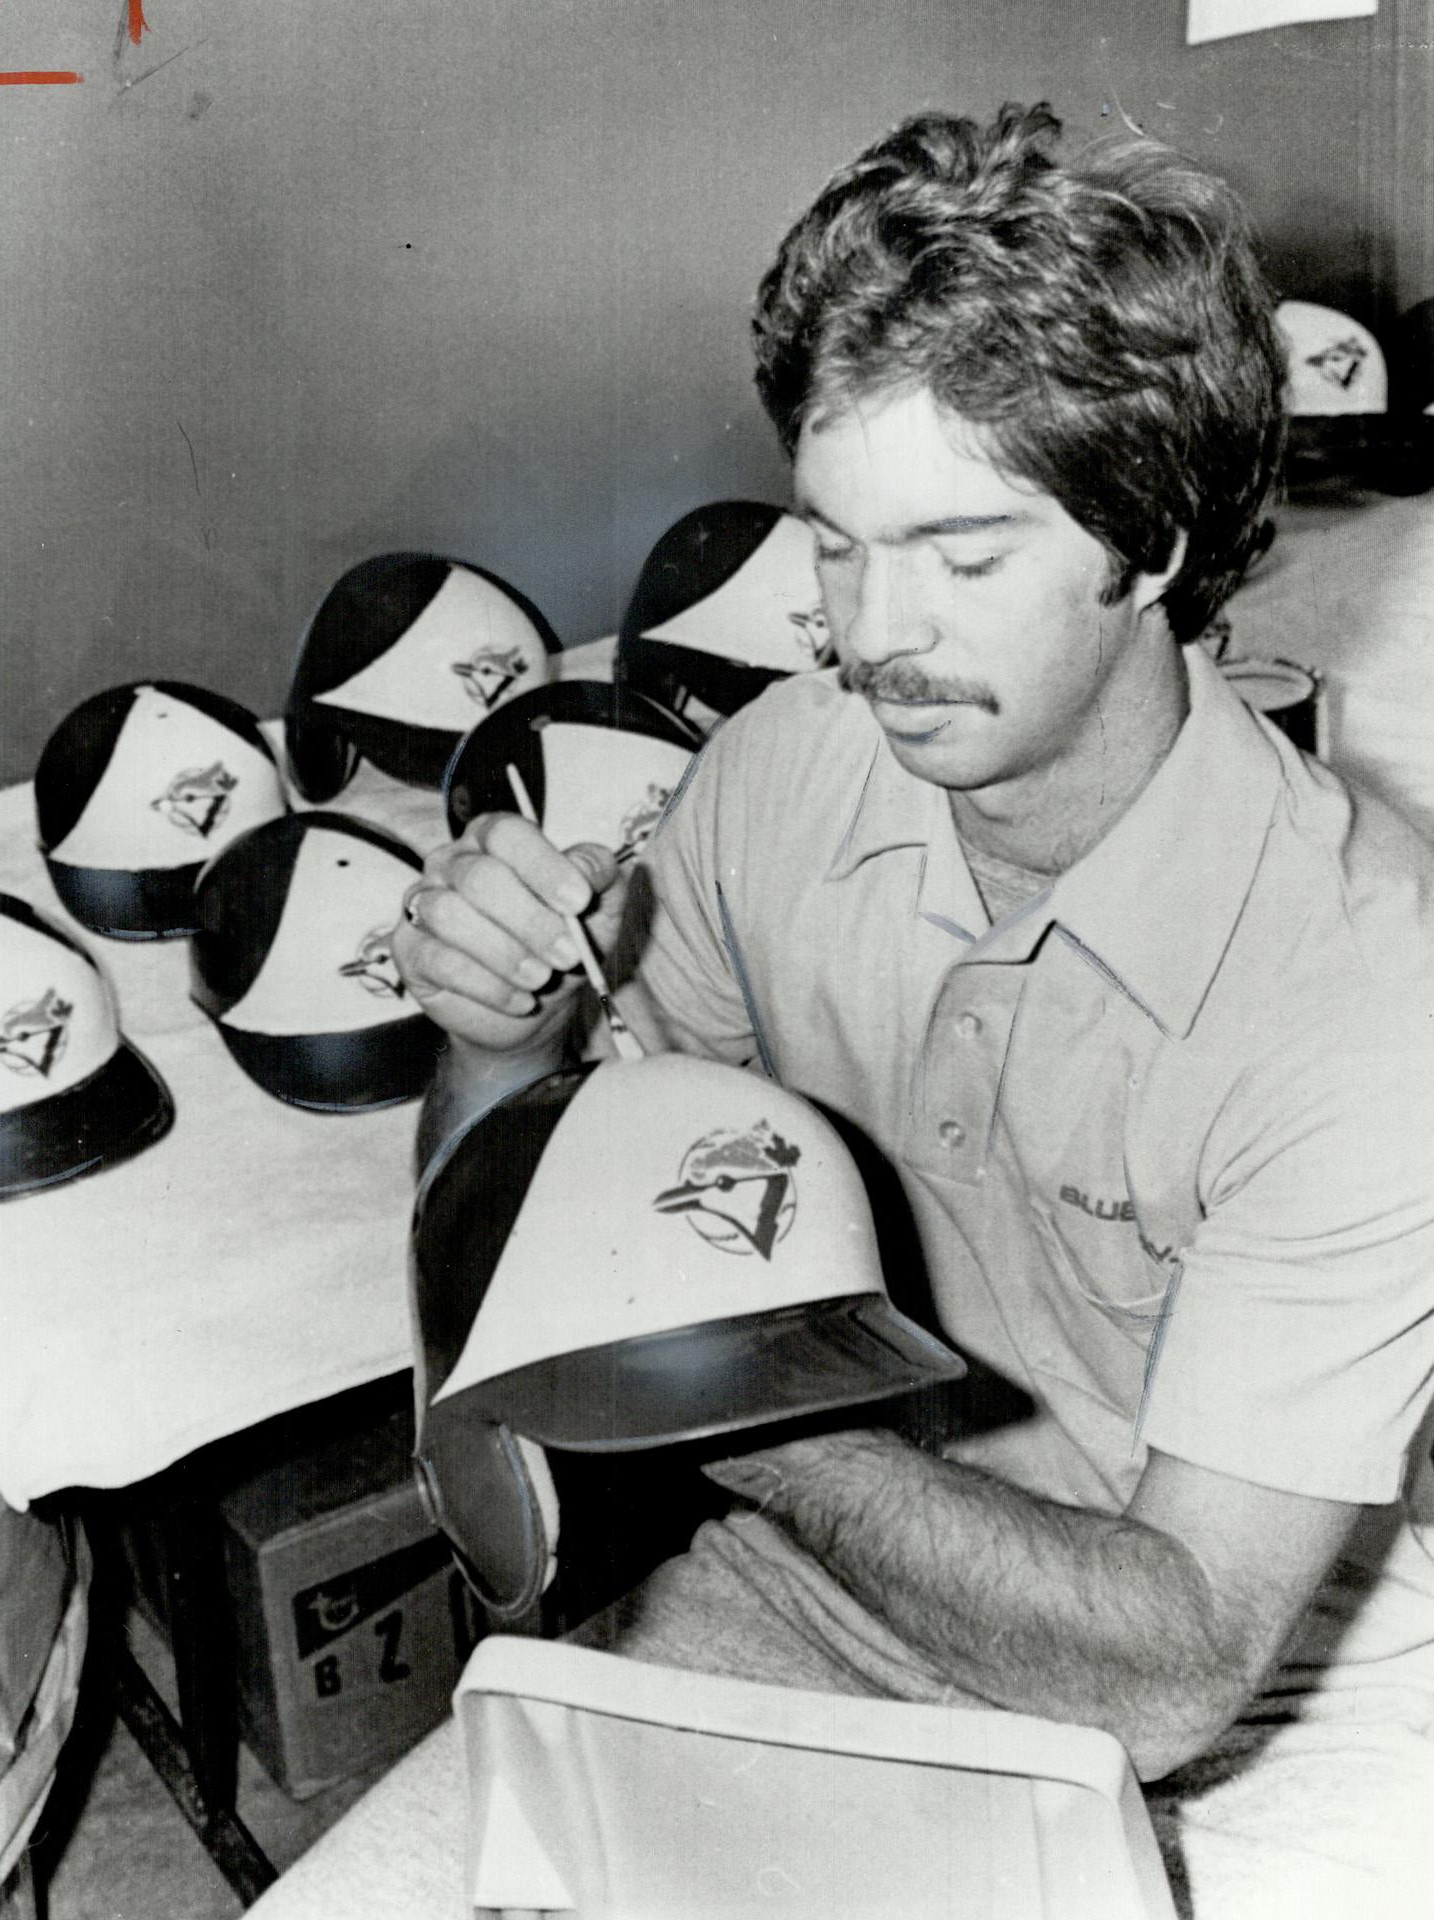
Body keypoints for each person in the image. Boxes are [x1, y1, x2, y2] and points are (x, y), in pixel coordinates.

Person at [288, 105, 1434, 1918]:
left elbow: (1174, 1661)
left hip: (1253, 1708)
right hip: (817, 1586)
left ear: (1154, 548)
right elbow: (514, 1278)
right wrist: (498, 1041)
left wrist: (722, 1384)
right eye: (833, 543)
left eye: (963, 558)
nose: (870, 633)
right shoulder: (781, 767)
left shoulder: (1367, 997)